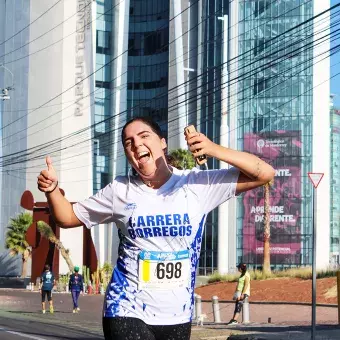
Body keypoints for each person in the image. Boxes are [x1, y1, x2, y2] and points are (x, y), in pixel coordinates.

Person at [37, 117, 274, 340]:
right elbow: (67, 217)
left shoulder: (196, 184)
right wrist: (52, 189)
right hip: (126, 307)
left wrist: (213, 149)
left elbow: (264, 173)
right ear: (128, 155)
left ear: (162, 143)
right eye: (128, 142)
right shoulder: (120, 191)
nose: (136, 144)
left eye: (143, 136)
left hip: (178, 314)